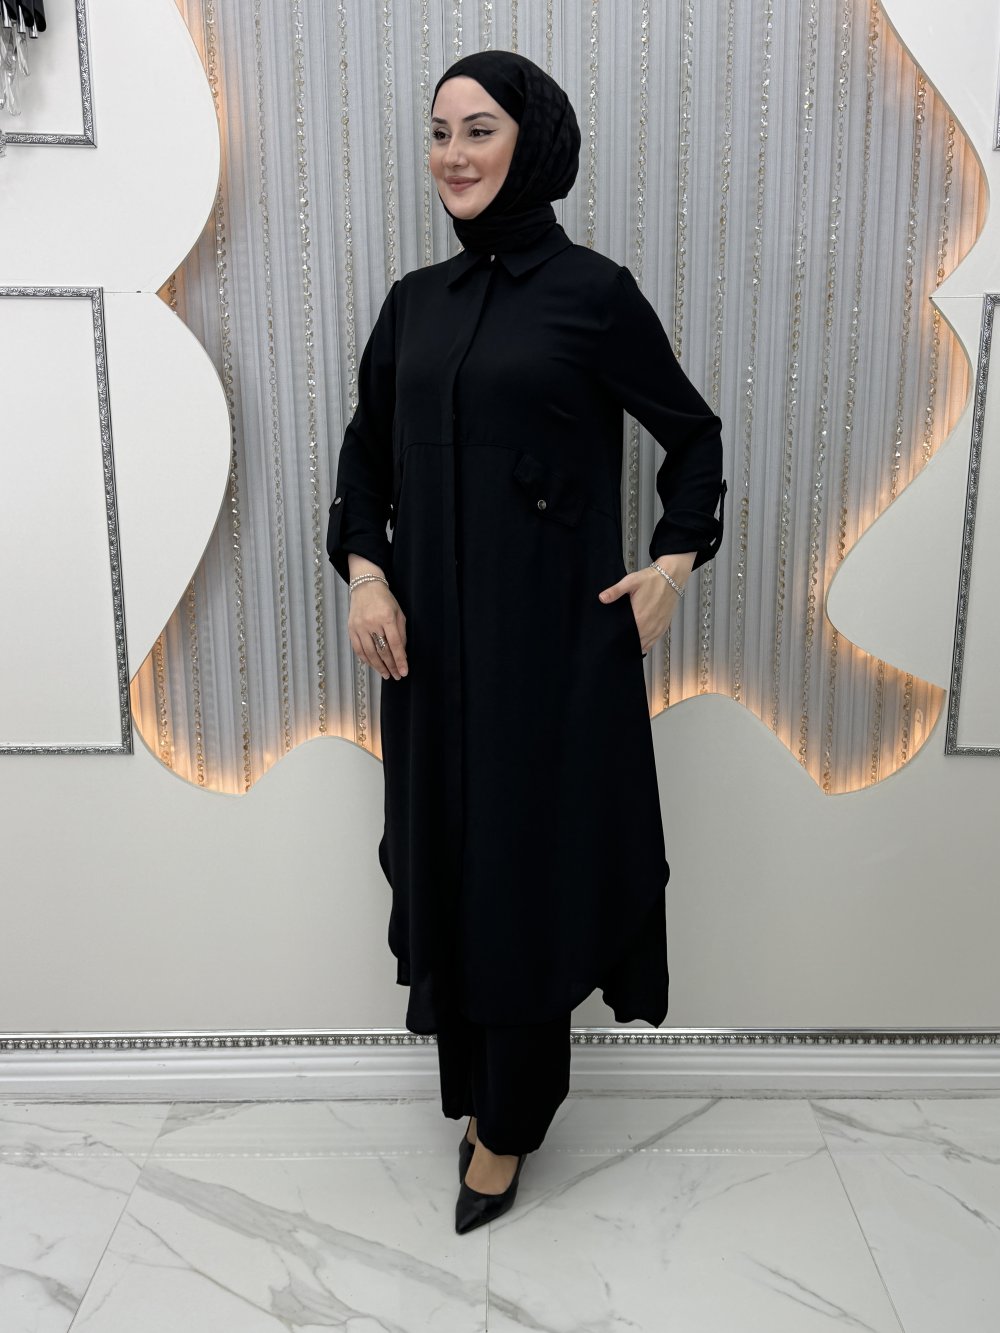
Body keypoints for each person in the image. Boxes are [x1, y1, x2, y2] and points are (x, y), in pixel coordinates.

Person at [327, 49, 726, 1234]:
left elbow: (693, 438)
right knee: (449, 861)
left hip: (550, 654)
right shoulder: (415, 303)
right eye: (439, 131)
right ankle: (476, 1091)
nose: (452, 154)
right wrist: (365, 573)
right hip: (427, 658)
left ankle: (509, 1121)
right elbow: (364, 460)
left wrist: (673, 561)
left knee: (524, 873)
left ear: (532, 141)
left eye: (479, 129)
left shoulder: (593, 294)